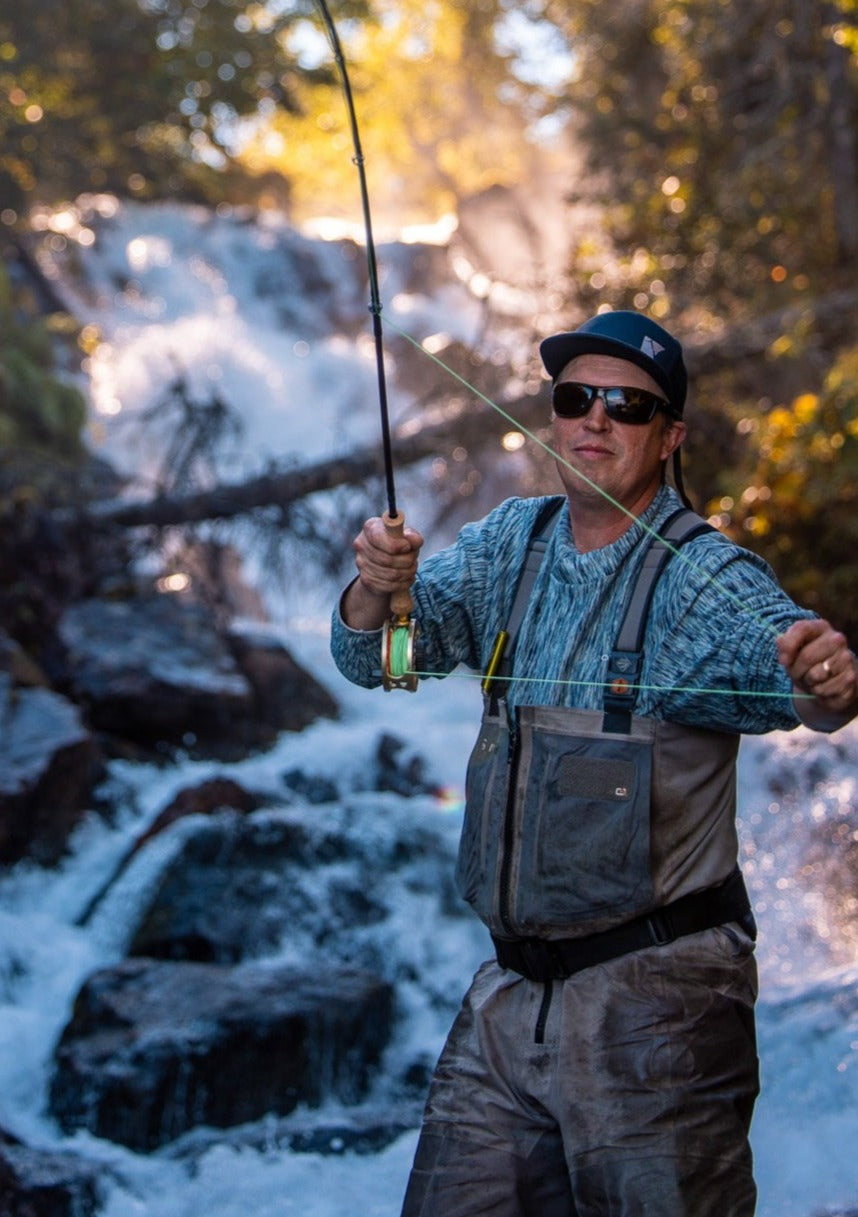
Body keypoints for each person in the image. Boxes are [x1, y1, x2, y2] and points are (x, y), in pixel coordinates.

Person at [330, 310, 858, 1217]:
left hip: (660, 1010)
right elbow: (379, 661)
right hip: (505, 1003)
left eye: (628, 405)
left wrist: (824, 679)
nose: (596, 420)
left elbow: (800, 684)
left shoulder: (704, 578)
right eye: (577, 398)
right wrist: (375, 589)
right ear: (552, 415)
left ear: (670, 437)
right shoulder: (508, 544)